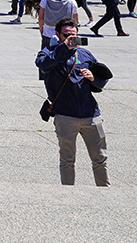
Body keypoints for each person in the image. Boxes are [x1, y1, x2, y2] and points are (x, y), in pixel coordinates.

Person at [36, 17, 109, 186]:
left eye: (74, 35)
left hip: (91, 114)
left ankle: (105, 191)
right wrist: (64, 47)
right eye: (66, 35)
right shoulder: (49, 52)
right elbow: (43, 65)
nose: (71, 38)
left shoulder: (85, 54)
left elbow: (102, 79)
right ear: (57, 34)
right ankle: (69, 193)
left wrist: (93, 78)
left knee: (100, 158)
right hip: (65, 116)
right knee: (67, 160)